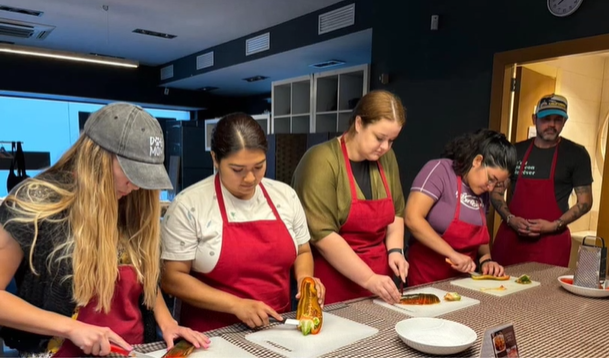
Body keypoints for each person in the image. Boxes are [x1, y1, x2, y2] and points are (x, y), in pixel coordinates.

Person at [0, 103, 209, 357]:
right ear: (96, 156)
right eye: (130, 173)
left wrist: (168, 323)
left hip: (133, 349)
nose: (135, 185)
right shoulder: (35, 203)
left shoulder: (132, 200)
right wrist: (71, 327)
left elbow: (146, 279)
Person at [161, 113, 325, 332]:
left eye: (259, 167)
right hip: (212, 334)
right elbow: (172, 278)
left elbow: (303, 251)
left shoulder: (285, 196)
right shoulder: (188, 205)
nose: (250, 179)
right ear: (215, 160)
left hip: (277, 327)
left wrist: (306, 281)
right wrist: (235, 304)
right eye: (238, 170)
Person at [292, 90, 408, 305]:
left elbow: (397, 213)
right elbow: (323, 235)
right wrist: (369, 278)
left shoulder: (387, 158)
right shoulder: (321, 160)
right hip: (336, 285)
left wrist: (395, 251)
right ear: (358, 123)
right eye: (379, 138)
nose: (385, 147)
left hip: (381, 285)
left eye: (392, 141)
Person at [491, 94, 593, 267]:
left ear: (564, 122)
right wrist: (510, 219)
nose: (552, 125)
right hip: (511, 240)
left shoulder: (576, 154)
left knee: (545, 293)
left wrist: (554, 225)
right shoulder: (516, 151)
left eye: (558, 120)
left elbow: (585, 202)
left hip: (551, 244)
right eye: (546, 119)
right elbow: (496, 191)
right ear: (534, 119)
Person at [405, 129, 516, 285]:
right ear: (477, 161)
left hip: (462, 282)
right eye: (491, 179)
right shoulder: (440, 170)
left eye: (496, 184)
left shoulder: (482, 190)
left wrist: (486, 260)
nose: (491, 188)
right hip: (426, 277)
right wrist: (452, 253)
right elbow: (412, 218)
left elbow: (480, 234)